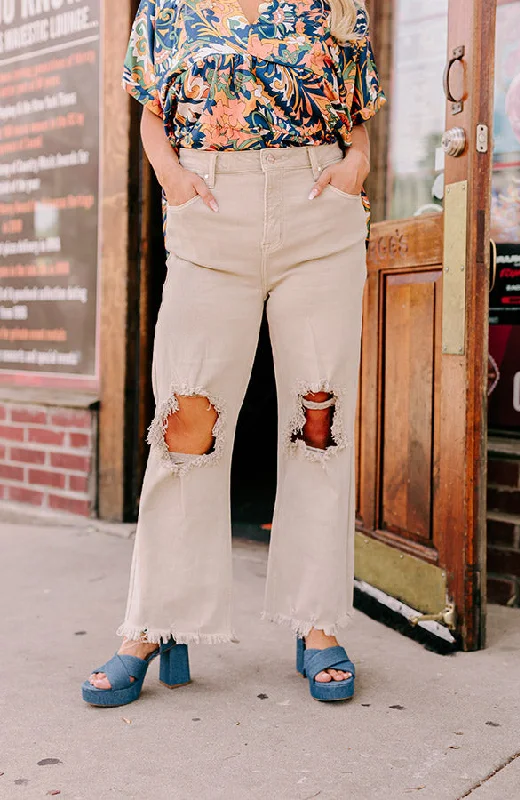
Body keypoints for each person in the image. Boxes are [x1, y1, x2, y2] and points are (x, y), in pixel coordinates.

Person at [82, 0, 385, 707]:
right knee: (185, 423)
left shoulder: (330, 6)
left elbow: (355, 110)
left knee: (319, 421)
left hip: (317, 204)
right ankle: (153, 622)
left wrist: (358, 163)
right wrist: (172, 179)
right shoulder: (167, 10)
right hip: (209, 205)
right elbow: (151, 111)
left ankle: (317, 623)